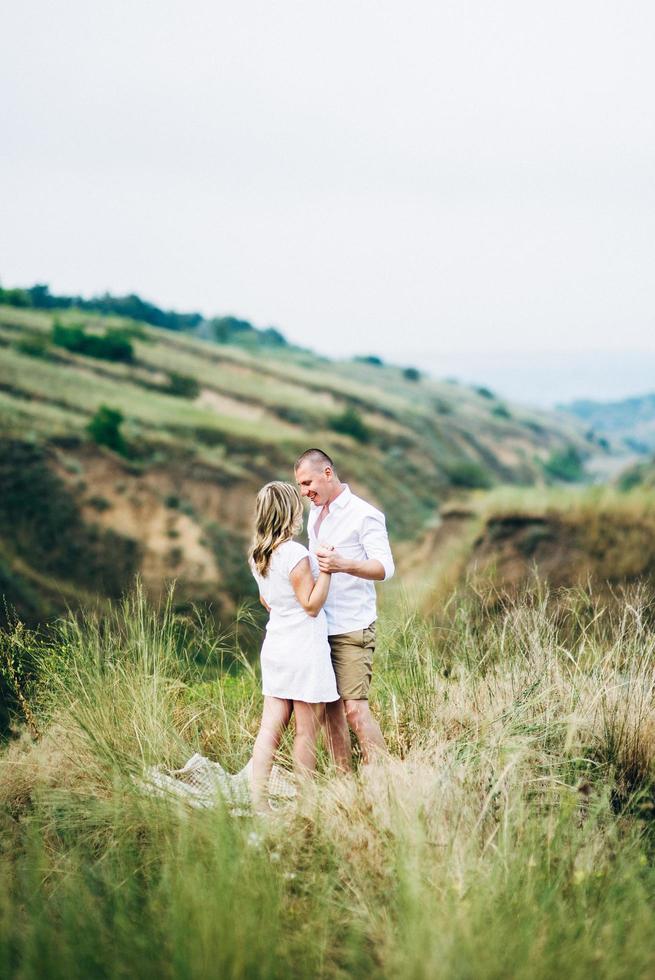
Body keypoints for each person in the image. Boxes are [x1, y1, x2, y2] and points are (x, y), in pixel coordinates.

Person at [294, 448, 395, 768]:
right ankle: (344, 782)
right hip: (319, 625)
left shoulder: (365, 514)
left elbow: (385, 568)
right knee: (330, 709)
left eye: (307, 482)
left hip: (353, 625)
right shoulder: (315, 512)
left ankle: (384, 778)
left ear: (327, 473)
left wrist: (344, 564)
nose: (304, 491)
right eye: (299, 485)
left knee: (354, 708)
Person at [248, 481, 339, 812]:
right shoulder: (295, 554)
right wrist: (327, 570)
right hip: (303, 649)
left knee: (269, 729)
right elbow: (311, 605)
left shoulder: (259, 555)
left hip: (276, 647)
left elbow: (267, 600)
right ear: (289, 512)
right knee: (305, 733)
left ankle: (259, 804)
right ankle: (305, 805)